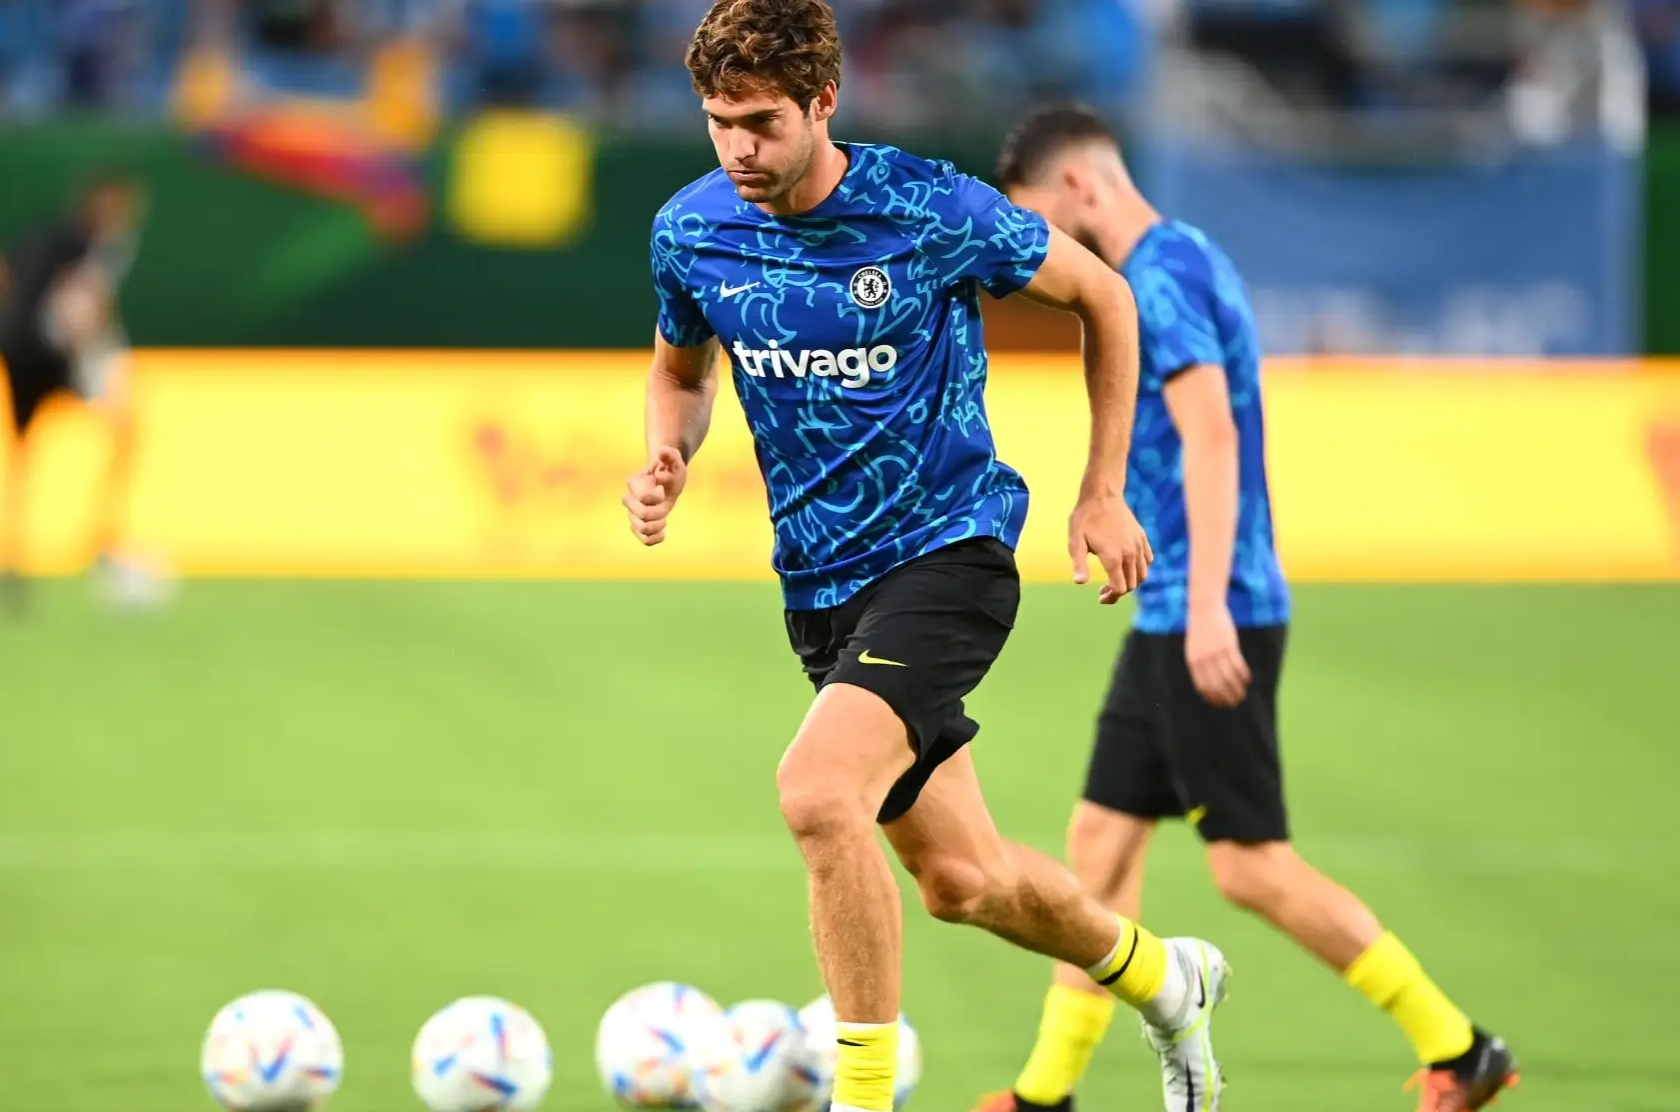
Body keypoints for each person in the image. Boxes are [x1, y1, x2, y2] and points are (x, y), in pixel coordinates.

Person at [623, 4, 1231, 1110]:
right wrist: (668, 450)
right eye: (718, 124)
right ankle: (1165, 974)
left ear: (822, 102)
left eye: (761, 121)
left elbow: (1104, 293)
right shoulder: (691, 228)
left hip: (948, 554)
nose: (739, 149)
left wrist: (1104, 489)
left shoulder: (930, 206)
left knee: (816, 792)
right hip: (820, 588)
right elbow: (680, 367)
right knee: (965, 879)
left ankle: (862, 1095)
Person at [983, 104, 1520, 1112]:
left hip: (1208, 608)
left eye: (1039, 220)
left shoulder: (1159, 278)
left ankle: (1460, 1044)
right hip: (1174, 610)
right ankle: (1044, 1095)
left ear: (1081, 189)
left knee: (1249, 867)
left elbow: (1213, 437)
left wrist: (1212, 607)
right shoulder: (1184, 255)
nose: (1039, 247)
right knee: (1098, 843)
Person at [0, 171, 156, 613]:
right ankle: (101, 536)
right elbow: (80, 305)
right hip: (55, 356)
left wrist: (4, 323)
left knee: (20, 453)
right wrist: (96, 351)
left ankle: (10, 554)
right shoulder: (92, 248)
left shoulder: (38, 235)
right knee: (124, 426)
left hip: (12, 352)